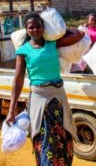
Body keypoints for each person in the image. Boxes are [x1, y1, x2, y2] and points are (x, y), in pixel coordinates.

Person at [5, 12, 84, 166]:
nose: (35, 30)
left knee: (63, 137)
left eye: (39, 26)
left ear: (44, 27)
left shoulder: (53, 44)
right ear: (26, 30)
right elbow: (18, 82)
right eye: (31, 27)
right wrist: (11, 110)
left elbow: (79, 34)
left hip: (58, 99)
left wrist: (58, 31)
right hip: (39, 101)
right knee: (44, 141)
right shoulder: (23, 51)